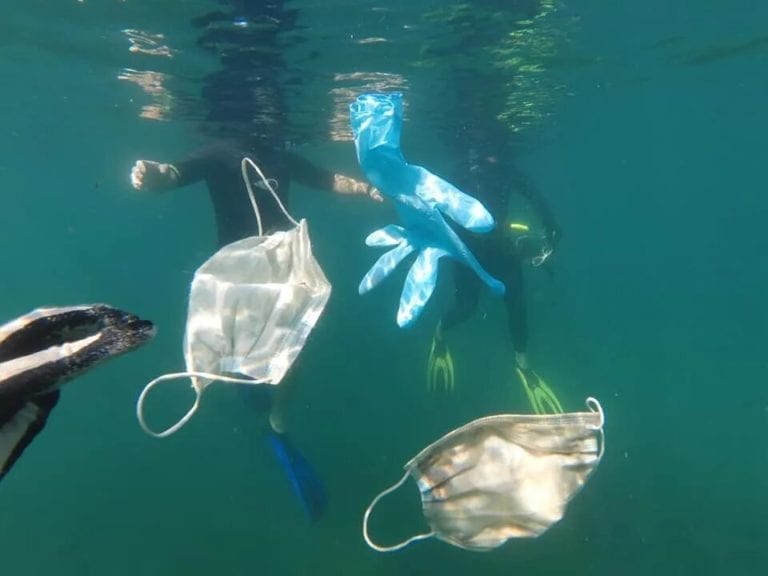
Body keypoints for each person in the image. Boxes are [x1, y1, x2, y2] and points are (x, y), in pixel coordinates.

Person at [129, 0, 378, 522]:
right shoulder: (222, 149)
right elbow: (178, 172)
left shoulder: (280, 152)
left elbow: (323, 178)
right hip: (237, 273)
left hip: (284, 268)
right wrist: (155, 177)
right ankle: (252, 396)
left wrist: (368, 190)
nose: (273, 117)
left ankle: (277, 424)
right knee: (242, 347)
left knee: (293, 350)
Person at [426, 122, 564, 414]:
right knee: (466, 308)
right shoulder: (462, 172)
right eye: (488, 152)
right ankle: (439, 335)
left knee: (516, 303)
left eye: (497, 152)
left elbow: (536, 197)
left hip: (500, 247)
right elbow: (435, 206)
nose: (492, 158)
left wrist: (552, 230)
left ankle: (523, 365)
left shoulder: (507, 170)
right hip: (465, 252)